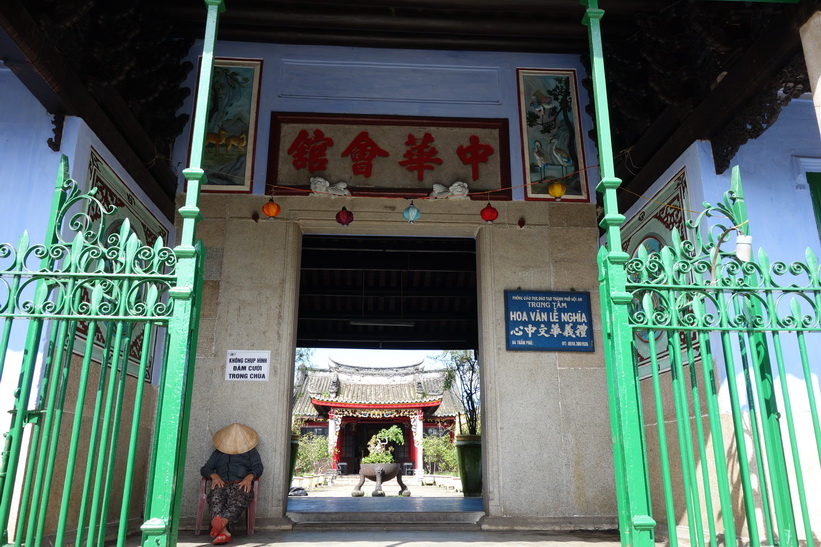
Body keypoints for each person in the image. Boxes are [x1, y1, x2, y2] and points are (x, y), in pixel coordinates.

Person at [200, 423, 264, 545]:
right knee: (215, 498)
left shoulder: (250, 452)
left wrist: (249, 477)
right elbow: (205, 469)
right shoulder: (218, 453)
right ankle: (224, 531)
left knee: (239, 499)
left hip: (240, 484)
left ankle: (221, 525)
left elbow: (258, 467)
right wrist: (214, 476)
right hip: (222, 484)